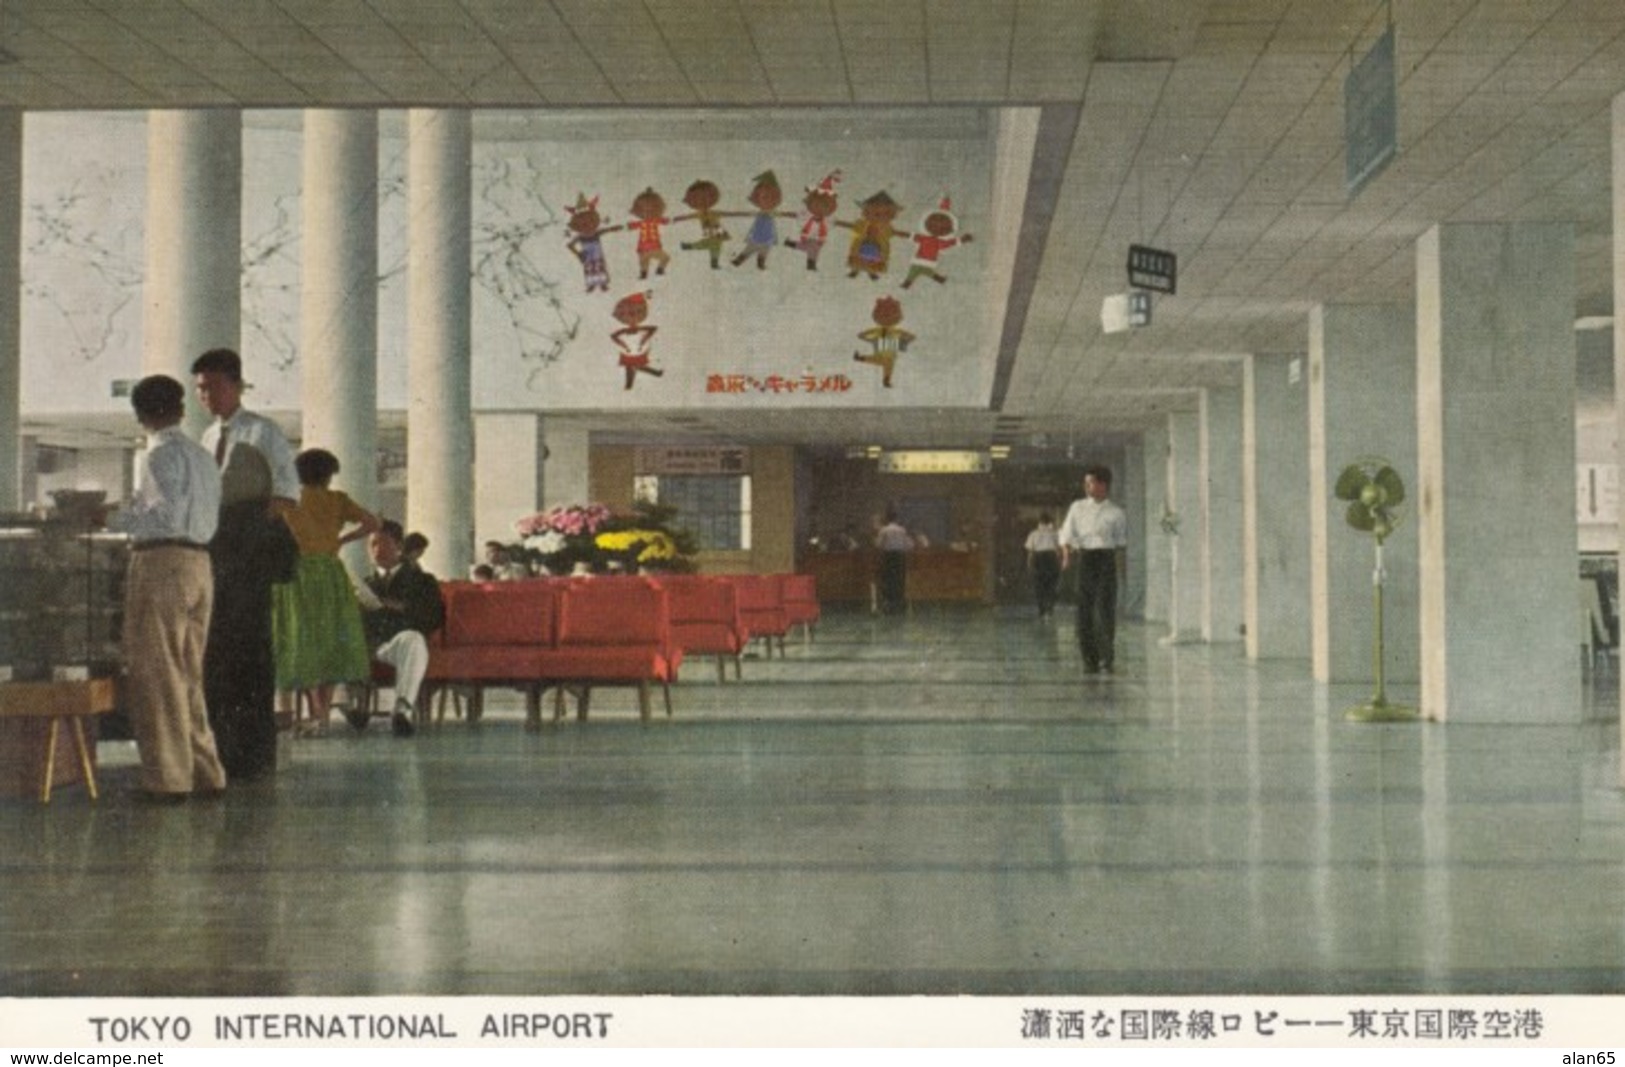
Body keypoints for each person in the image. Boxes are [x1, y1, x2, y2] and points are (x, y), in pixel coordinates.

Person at [105, 375, 227, 801]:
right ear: (179, 408)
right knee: (189, 671)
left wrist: (112, 520)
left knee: (156, 673)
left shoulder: (156, 455)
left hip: (161, 563)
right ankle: (205, 771)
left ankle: (167, 779)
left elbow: (164, 518)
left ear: (141, 414)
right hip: (199, 564)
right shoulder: (202, 456)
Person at [193, 347, 300, 780]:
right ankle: (219, 749)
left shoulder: (263, 432)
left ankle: (253, 756)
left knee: (250, 651)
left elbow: (287, 494)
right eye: (200, 388)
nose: (206, 396)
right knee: (215, 651)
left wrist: (247, 531)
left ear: (236, 385)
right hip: (213, 549)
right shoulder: (205, 437)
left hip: (248, 547)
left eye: (213, 386)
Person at [271, 448, 380, 735]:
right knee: (331, 641)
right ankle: (322, 716)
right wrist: (343, 538)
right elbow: (373, 523)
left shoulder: (289, 499)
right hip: (331, 573)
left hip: (296, 573)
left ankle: (314, 711)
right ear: (328, 474)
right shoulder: (337, 500)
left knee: (301, 641)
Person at [349, 520, 445, 738]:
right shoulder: (365, 584)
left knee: (413, 639)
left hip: (399, 642)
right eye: (372, 545)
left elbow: (434, 617)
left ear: (399, 546)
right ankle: (350, 705)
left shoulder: (422, 581)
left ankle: (402, 711)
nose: (377, 550)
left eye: (383, 543)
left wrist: (400, 607)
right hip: (369, 644)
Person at [1059, 465, 1129, 674]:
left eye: (1090, 482)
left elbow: (1120, 545)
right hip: (1085, 559)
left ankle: (1106, 658)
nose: (1086, 487)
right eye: (1086, 483)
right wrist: (1066, 555)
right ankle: (1089, 659)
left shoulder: (1116, 512)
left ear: (1102, 485)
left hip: (1106, 559)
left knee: (1105, 610)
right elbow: (1066, 534)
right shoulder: (1077, 507)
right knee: (1085, 611)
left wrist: (1120, 572)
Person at [873, 507, 914, 616]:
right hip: (900, 557)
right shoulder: (902, 530)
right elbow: (908, 545)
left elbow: (878, 545)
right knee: (899, 579)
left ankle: (888, 605)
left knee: (888, 580)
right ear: (896, 518)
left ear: (887, 518)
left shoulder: (884, 530)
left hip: (888, 557)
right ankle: (899, 605)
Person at [1024, 512, 1061, 619]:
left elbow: (1030, 551)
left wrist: (1029, 564)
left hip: (1038, 558)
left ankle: (1041, 610)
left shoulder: (1033, 534)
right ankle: (1050, 609)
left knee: (1039, 585)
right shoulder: (1054, 533)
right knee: (1051, 585)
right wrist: (1058, 563)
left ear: (1039, 522)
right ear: (1049, 522)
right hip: (1051, 557)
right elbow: (1058, 550)